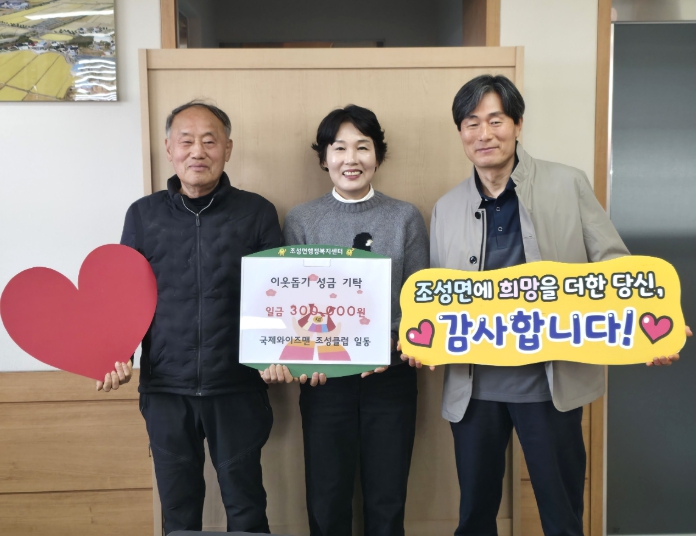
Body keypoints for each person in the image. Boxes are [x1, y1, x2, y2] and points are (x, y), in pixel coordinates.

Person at [402, 75, 691, 536]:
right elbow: (437, 300)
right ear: (460, 132)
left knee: (561, 515)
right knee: (474, 516)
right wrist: (421, 341)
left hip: (550, 385)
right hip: (474, 390)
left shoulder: (567, 183)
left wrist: (648, 327)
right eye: (471, 123)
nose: (484, 133)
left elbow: (614, 265)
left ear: (517, 124)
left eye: (495, 120)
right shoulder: (447, 207)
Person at [97, 100, 283, 535]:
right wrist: (115, 355)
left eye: (209, 141)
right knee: (178, 510)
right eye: (186, 141)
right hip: (166, 389)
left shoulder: (257, 211)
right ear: (169, 148)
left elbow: (278, 293)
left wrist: (280, 353)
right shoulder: (142, 214)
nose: (198, 151)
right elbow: (123, 296)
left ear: (228, 149)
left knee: (247, 506)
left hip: (237, 386)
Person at [263, 105, 429, 536]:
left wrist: (392, 343)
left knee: (387, 499)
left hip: (389, 376)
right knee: (327, 497)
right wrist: (302, 358)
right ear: (324, 157)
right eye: (339, 148)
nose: (350, 159)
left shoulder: (405, 217)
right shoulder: (302, 219)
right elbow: (293, 305)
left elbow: (419, 306)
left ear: (378, 155)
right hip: (325, 380)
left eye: (362, 147)